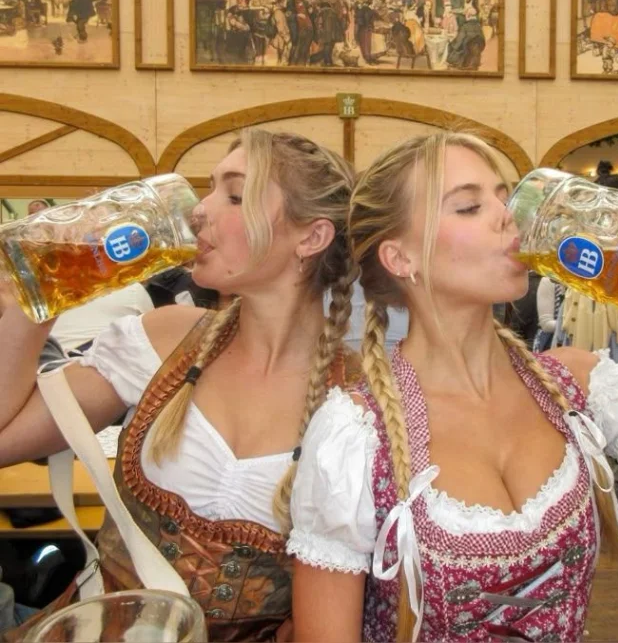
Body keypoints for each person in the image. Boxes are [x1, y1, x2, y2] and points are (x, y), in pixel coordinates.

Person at [286, 132, 618, 642]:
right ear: (400, 258)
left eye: (505, 198)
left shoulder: (575, 385)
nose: (509, 218)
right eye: (469, 206)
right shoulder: (354, 435)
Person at [0, 129, 361, 642]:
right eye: (209, 189)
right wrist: (35, 300)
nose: (199, 211)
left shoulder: (358, 400)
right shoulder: (166, 339)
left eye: (233, 195)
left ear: (311, 238)